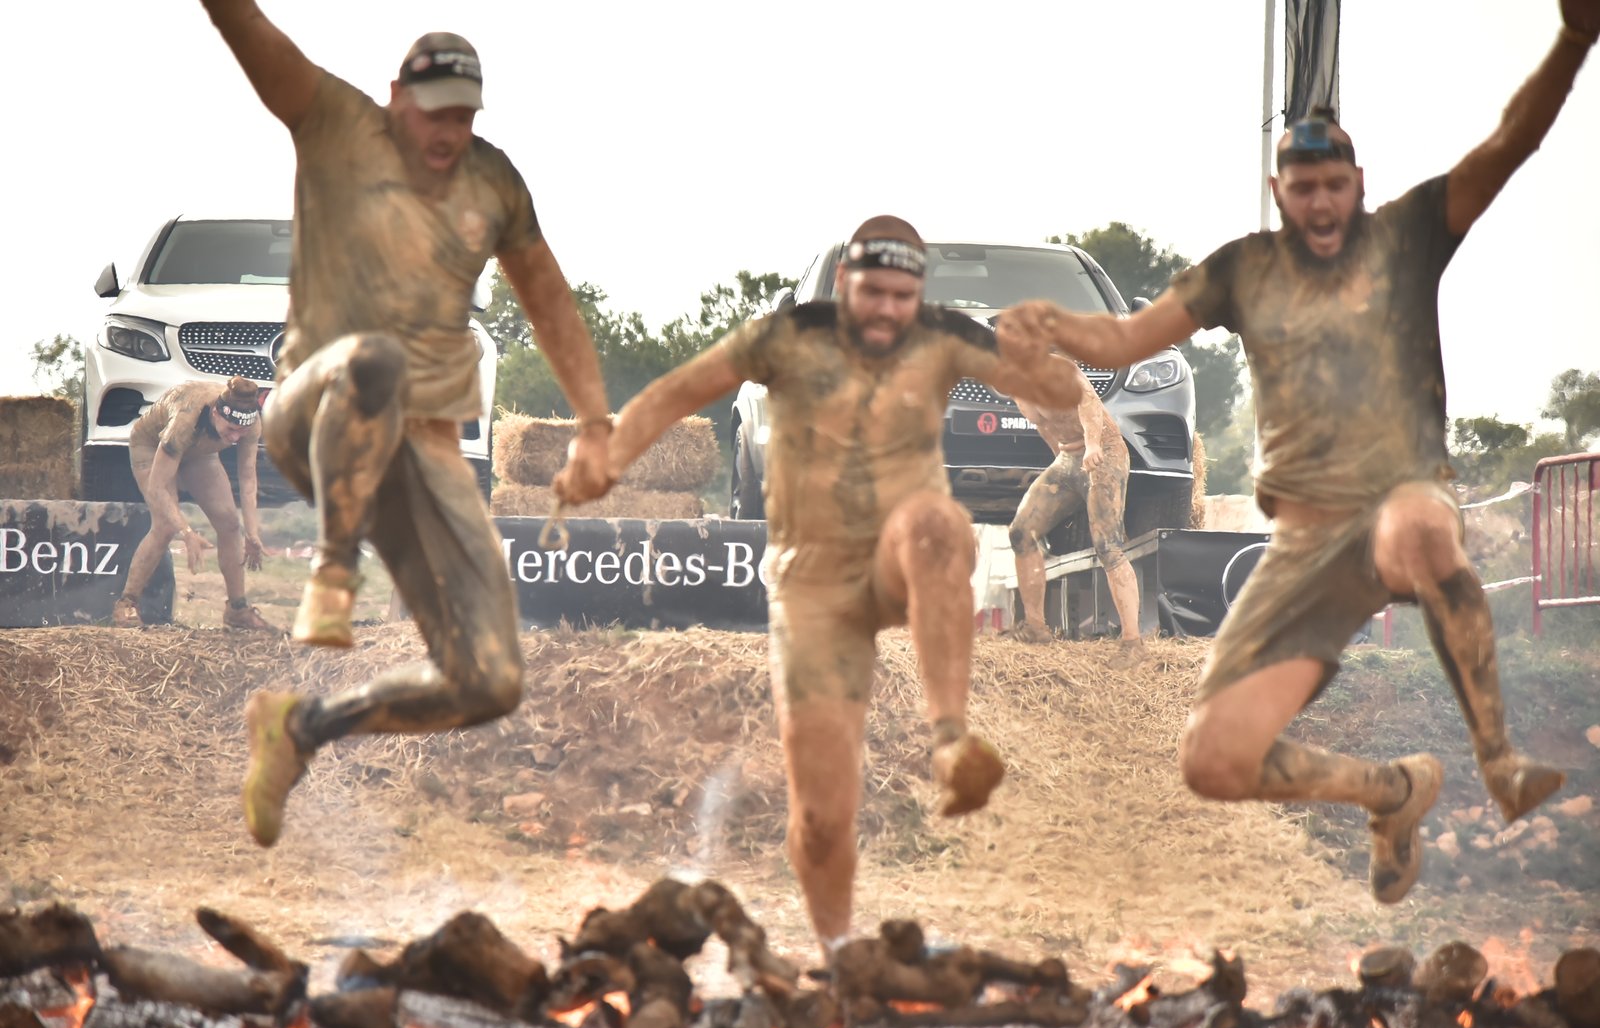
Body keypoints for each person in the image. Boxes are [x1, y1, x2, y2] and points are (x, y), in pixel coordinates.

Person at [996, 2, 1595, 905]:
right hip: (1305, 543)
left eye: (1334, 185)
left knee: (1420, 529)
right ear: (1281, 192)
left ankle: (1500, 758)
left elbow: (1510, 143)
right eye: (1302, 187)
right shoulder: (1245, 268)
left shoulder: (1408, 233)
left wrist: (1574, 40)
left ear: (1359, 183)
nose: (1320, 203)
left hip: (1399, 499)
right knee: (1215, 758)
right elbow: (1126, 339)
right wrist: (1054, 327)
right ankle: (1390, 791)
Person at [554, 216, 1087, 952]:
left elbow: (1055, 383)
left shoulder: (945, 336)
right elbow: (675, 393)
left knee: (936, 524)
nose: (888, 312)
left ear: (920, 293)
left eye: (905, 296)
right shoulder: (787, 336)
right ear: (843, 284)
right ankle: (836, 950)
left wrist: (1051, 356)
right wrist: (607, 458)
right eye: (873, 293)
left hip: (897, 558)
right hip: (811, 589)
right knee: (823, 815)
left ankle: (950, 738)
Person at [198, 1, 614, 848]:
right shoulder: (332, 120)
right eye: (436, 113)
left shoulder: (494, 181)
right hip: (315, 411)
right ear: (395, 97)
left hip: (422, 451)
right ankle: (332, 573)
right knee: (377, 360)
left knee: (489, 680)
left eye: (465, 116)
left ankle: (300, 730)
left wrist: (596, 422)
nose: (450, 132)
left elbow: (549, 299)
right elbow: (245, 28)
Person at [113, 376, 278, 632]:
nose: (235, 438)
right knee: (165, 526)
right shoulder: (185, 419)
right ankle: (127, 603)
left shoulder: (252, 423)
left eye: (240, 432)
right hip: (153, 445)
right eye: (230, 429)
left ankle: (237, 609)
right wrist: (186, 532)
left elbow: (247, 479)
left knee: (230, 525)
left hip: (201, 452)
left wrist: (253, 532)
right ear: (215, 412)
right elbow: (158, 488)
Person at [1006, 377, 1143, 665]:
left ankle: (1133, 642)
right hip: (1068, 458)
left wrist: (1093, 445)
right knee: (1020, 532)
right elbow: (1044, 425)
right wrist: (1060, 463)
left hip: (1104, 448)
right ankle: (1036, 627)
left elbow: (1088, 402)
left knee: (1107, 545)